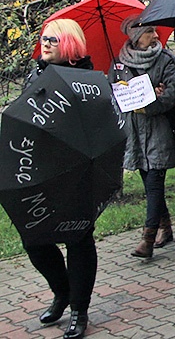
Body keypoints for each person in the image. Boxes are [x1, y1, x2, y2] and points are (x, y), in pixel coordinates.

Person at [21, 19, 97, 339]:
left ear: (68, 43)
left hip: (77, 172)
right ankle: (62, 292)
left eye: (53, 39)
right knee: (34, 240)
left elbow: (98, 128)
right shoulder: (35, 74)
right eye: (43, 38)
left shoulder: (88, 79)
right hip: (39, 171)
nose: (45, 43)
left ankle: (79, 309)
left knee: (78, 240)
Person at [110, 17, 175, 259]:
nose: (155, 36)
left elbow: (174, 92)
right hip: (134, 135)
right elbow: (114, 97)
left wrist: (151, 102)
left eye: (154, 30)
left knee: (154, 184)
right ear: (135, 36)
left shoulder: (165, 60)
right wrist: (127, 95)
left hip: (159, 132)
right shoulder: (119, 64)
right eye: (149, 31)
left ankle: (148, 239)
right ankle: (166, 227)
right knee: (149, 182)